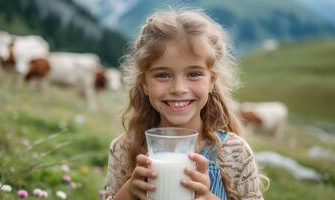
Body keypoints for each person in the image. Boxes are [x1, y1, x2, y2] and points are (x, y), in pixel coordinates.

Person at [105, 9, 266, 200]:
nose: (179, 88)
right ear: (144, 84)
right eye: (163, 75)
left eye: (194, 74)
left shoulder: (234, 152)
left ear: (212, 81)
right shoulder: (124, 148)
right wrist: (128, 193)